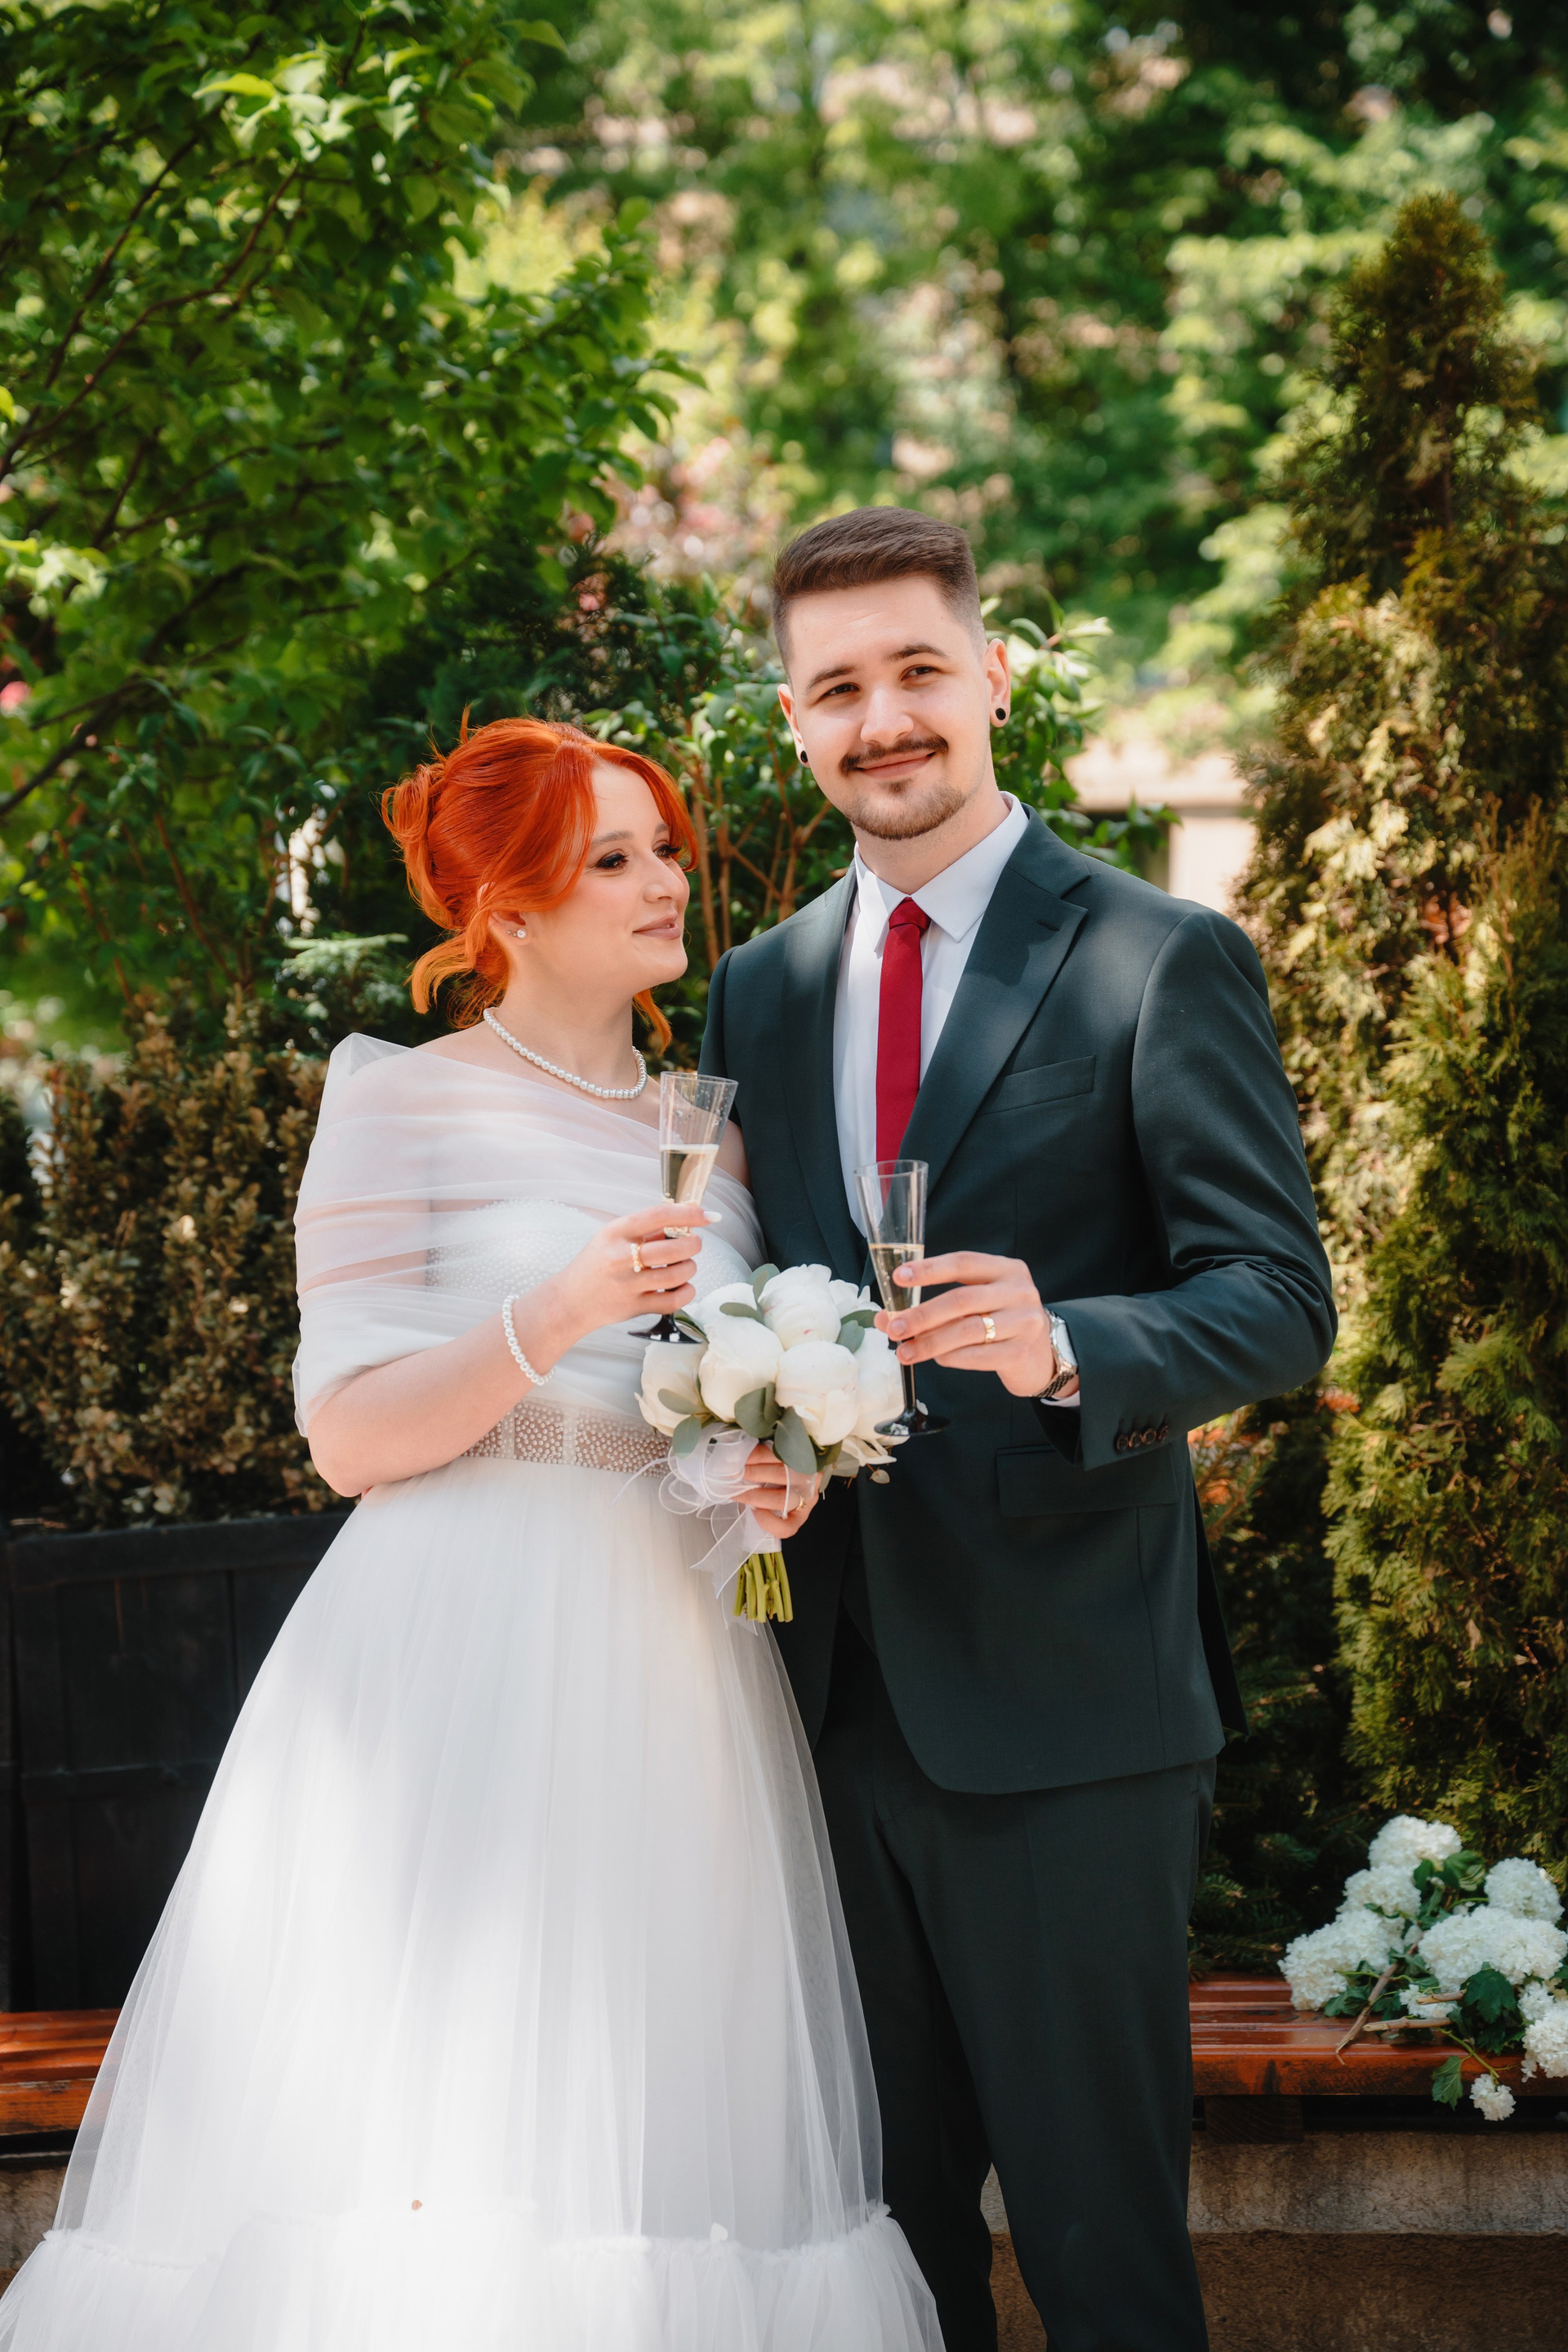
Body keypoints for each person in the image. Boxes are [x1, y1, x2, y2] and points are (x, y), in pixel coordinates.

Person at [0, 718, 942, 2352]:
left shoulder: (711, 1136)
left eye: (664, 849)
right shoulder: (405, 1104)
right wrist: (556, 1307)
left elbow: (681, 1416)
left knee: (665, 2113)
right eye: (613, 859)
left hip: (676, 1668)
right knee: (453, 2109)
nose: (665, 883)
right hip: (462, 1653)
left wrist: (763, 1476)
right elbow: (349, 1435)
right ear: (507, 908)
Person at [699, 508, 1337, 2352]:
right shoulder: (759, 986)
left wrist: (1065, 1342)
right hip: (820, 1709)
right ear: (795, 720)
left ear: (990, 676)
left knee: (1100, 2252)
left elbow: (1276, 1299)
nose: (882, 718)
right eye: (837, 688)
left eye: (918, 670)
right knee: (879, 2265)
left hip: (1070, 1714)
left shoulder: (1156, 953)